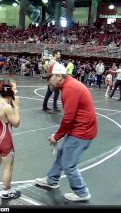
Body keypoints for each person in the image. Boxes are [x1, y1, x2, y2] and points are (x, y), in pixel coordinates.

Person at [35, 63, 98, 202]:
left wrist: (56, 137)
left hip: (82, 131)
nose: (48, 81)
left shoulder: (70, 88)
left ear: (58, 76)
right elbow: (71, 117)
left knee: (68, 164)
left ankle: (82, 192)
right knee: (62, 154)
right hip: (79, 128)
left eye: (49, 77)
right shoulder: (68, 85)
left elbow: (69, 118)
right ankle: (52, 180)